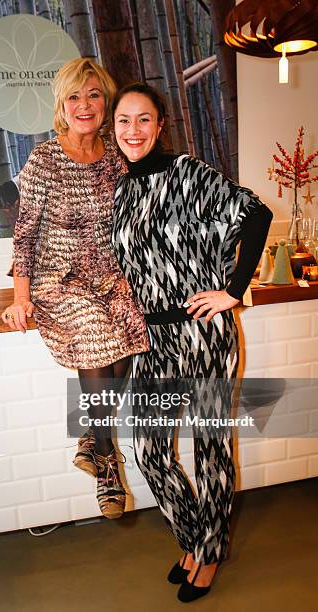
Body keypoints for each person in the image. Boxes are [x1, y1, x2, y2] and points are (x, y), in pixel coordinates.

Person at [111, 83, 272, 602]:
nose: (133, 131)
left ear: (160, 126)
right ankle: (193, 538)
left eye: (143, 120)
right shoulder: (120, 189)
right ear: (114, 130)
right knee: (149, 450)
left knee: (210, 448)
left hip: (203, 331)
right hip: (154, 336)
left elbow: (257, 214)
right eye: (123, 121)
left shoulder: (188, 173)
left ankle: (210, 551)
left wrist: (232, 290)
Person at [1, 60, 150, 520]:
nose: (84, 106)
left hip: (109, 274)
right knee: (94, 339)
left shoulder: (115, 156)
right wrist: (20, 296)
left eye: (94, 96)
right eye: (74, 97)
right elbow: (24, 233)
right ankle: (107, 464)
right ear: (61, 106)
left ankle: (90, 434)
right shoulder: (44, 160)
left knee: (134, 339)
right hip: (57, 279)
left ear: (106, 103)